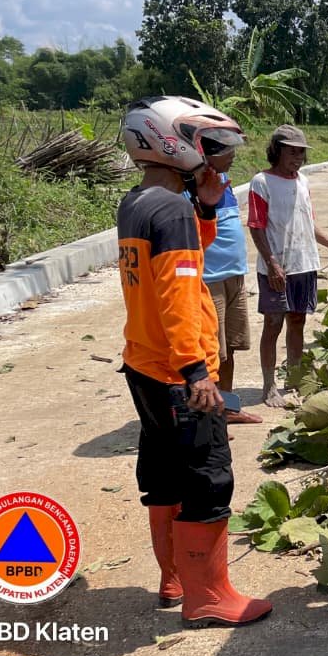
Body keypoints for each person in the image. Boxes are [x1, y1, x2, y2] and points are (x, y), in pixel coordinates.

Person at [116, 95, 272, 627]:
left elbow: (175, 266)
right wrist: (197, 372)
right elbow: (179, 294)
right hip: (176, 370)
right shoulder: (173, 210)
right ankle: (209, 597)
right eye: (208, 145)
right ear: (172, 141)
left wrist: (204, 209)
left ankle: (174, 578)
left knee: (162, 472)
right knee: (208, 477)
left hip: (143, 362)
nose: (216, 157)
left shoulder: (137, 203)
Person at [247, 124, 328, 408]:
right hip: (277, 265)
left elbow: (308, 222)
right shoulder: (262, 182)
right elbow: (256, 227)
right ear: (277, 151)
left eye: (301, 153)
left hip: (304, 264)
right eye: (292, 151)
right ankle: (269, 385)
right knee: (272, 323)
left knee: (298, 321)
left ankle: (293, 381)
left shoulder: (303, 182)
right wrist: (271, 263)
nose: (298, 157)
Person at [202, 168, 261, 424]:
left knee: (230, 349)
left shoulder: (222, 178)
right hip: (209, 277)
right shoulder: (191, 182)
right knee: (211, 351)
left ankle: (226, 410)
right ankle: (210, 419)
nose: (233, 154)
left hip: (234, 274)